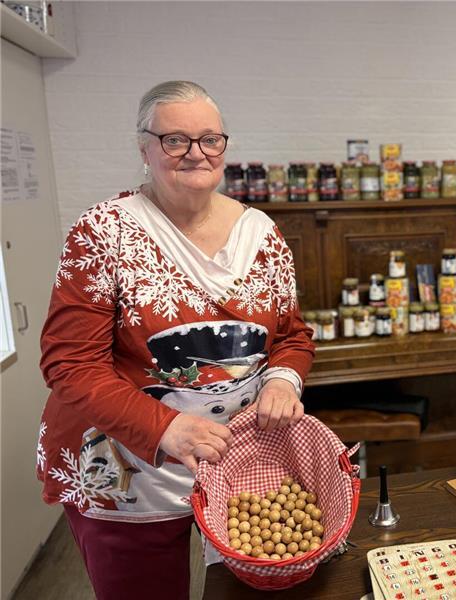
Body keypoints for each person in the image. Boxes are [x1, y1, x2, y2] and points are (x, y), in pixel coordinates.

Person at [37, 81, 314, 599]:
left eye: (210, 138)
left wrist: (282, 381)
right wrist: (163, 427)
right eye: (175, 140)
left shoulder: (262, 233)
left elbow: (291, 335)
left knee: (240, 589)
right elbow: (70, 364)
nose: (196, 153)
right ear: (144, 148)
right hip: (127, 466)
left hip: (236, 461)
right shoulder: (103, 233)